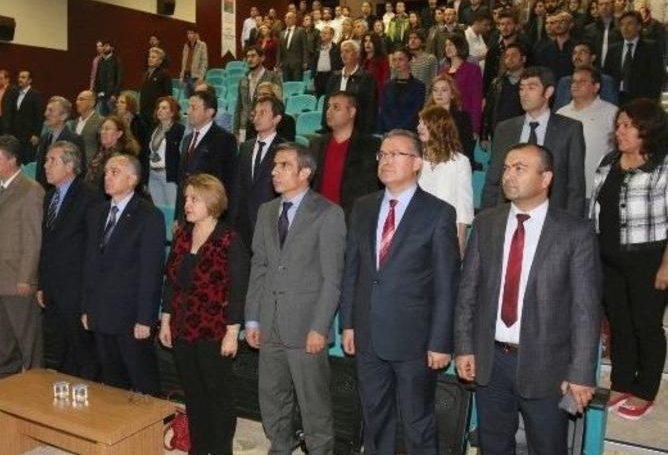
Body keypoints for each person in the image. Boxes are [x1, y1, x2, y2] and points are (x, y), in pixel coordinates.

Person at [455, 143, 601, 453]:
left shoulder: (575, 232)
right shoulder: (487, 223)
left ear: (545, 178)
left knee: (547, 447)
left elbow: (585, 310)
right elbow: (468, 293)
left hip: (547, 366)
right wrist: (464, 347)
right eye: (506, 167)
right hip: (491, 361)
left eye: (519, 168)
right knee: (492, 446)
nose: (509, 175)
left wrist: (581, 372)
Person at [341, 130, 460, 454]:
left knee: (417, 422)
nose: (386, 160)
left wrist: (440, 341)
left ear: (417, 163)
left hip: (414, 341)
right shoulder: (363, 206)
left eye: (396, 154)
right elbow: (352, 268)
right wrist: (348, 323)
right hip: (367, 334)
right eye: (382, 154)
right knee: (374, 419)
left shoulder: (438, 213)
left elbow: (447, 284)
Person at [245, 142, 347, 455]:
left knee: (313, 403)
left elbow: (332, 278)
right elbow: (259, 266)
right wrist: (253, 318)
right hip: (270, 322)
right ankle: (280, 446)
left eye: (284, 165)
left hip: (306, 327)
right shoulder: (266, 211)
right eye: (275, 165)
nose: (275, 171)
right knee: (272, 396)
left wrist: (320, 327)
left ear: (305, 172)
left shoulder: (328, 213)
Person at [160, 174, 249, 455]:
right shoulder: (182, 235)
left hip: (215, 331)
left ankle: (221, 450)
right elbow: (170, 281)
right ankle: (199, 448)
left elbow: (238, 290)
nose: (186, 204)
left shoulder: (229, 239)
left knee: (218, 395)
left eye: (194, 199)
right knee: (194, 393)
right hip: (182, 328)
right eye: (186, 198)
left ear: (211, 202)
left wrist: (232, 333)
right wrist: (165, 319)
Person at [591, 99, 668, 420]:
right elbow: (595, 209)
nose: (620, 131)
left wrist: (666, 265)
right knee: (619, 323)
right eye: (618, 125)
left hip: (648, 259)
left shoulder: (663, 166)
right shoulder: (608, 161)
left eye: (628, 125)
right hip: (609, 257)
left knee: (646, 324)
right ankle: (621, 382)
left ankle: (645, 389)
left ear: (646, 130)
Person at [82, 154, 165, 394]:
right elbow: (89, 265)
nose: (107, 176)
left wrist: (146, 318)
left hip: (131, 318)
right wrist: (86, 308)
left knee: (143, 382)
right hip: (100, 312)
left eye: (115, 172)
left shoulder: (149, 216)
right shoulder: (96, 213)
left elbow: (151, 272)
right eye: (106, 172)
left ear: (133, 179)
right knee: (111, 384)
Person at [0, 135, 45, 379]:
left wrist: (26, 277)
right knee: (4, 339)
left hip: (17, 279)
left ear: (13, 160)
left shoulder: (31, 190)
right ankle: (8, 385)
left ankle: (35, 385)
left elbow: (33, 239)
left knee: (28, 339)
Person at [482, 66, 586, 216]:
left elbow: (576, 186)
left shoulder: (569, 130)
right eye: (521, 88)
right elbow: (493, 180)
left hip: (552, 217)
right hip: (508, 214)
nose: (524, 94)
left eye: (531, 88)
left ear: (548, 92)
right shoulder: (505, 129)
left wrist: (571, 224)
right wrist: (487, 218)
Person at [38, 141, 98, 380]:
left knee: (83, 351)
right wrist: (42, 284)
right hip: (53, 288)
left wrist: (88, 292)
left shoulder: (90, 197)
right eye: (46, 160)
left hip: (77, 289)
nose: (46, 165)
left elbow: (93, 248)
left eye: (52, 160)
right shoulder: (49, 197)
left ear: (70, 165)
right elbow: (46, 245)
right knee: (60, 349)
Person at [310, 91, 381, 221]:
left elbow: (372, 188)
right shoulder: (316, 144)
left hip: (353, 218)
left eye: (336, 107)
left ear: (352, 112)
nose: (329, 111)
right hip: (318, 217)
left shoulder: (370, 146)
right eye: (328, 107)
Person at [230, 96, 288, 249]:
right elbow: (236, 185)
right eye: (255, 112)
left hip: (269, 222)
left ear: (276, 119)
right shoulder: (245, 147)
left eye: (263, 112)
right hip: (241, 224)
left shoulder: (284, 149)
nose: (257, 116)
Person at [417, 106, 474, 254]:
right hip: (416, 229)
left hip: (445, 231)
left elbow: (464, 205)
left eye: (425, 123)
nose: (419, 127)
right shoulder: (415, 158)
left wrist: (461, 242)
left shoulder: (460, 162)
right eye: (419, 122)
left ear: (439, 126)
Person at [174, 90, 237, 223]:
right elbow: (181, 181)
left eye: (194, 108)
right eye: (188, 107)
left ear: (209, 112)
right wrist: (177, 217)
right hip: (186, 214)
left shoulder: (224, 139)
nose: (188, 111)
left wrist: (220, 220)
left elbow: (226, 183)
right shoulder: (187, 139)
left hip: (209, 215)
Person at [557, 66, 618, 196]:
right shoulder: (561, 113)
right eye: (573, 81)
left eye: (582, 81)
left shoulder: (612, 113)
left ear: (596, 87)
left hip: (597, 189)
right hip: (566, 190)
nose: (575, 85)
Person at [604, 11, 666, 104]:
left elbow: (658, 77)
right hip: (616, 98)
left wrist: (651, 100)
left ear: (639, 26)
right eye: (622, 25)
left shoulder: (651, 48)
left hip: (642, 100)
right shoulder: (613, 49)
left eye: (629, 24)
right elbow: (607, 75)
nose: (625, 28)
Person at [322, 40, 377, 134]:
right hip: (333, 127)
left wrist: (366, 130)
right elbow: (327, 102)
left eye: (347, 51)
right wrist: (325, 124)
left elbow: (369, 106)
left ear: (357, 55)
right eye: (342, 52)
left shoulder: (366, 78)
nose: (343, 55)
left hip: (357, 128)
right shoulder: (335, 76)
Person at [84, 115, 141, 202]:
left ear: (119, 134)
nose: (103, 132)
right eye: (102, 129)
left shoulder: (124, 158)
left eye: (107, 129)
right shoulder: (100, 153)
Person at [426, 73, 476, 169]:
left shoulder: (462, 118)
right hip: (429, 165)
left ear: (452, 94)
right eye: (435, 90)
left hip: (454, 166)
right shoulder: (425, 117)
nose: (439, 94)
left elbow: (467, 148)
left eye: (444, 90)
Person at [439, 33, 483, 139]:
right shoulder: (442, 72)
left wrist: (475, 128)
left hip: (464, 121)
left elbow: (476, 100)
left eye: (451, 44)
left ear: (460, 46)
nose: (447, 48)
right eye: (446, 45)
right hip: (444, 121)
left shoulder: (472, 70)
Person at [34, 96, 86, 187]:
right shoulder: (45, 138)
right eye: (46, 110)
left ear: (63, 116)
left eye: (51, 110)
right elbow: (40, 171)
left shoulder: (74, 139)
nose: (46, 114)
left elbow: (79, 171)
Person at [553, 42, 619, 110]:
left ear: (592, 58)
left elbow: (612, 111)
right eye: (574, 53)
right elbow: (557, 110)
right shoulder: (564, 82)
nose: (577, 56)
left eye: (582, 53)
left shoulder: (606, 81)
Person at [234, 45, 283, 136]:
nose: (249, 59)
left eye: (253, 56)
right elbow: (238, 106)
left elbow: (279, 104)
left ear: (262, 58)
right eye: (248, 56)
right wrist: (235, 131)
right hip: (244, 127)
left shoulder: (272, 77)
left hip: (265, 126)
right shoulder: (243, 80)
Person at [146, 96, 184, 209]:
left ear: (172, 113)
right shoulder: (154, 129)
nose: (159, 110)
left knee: (172, 209)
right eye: (159, 108)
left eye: (164, 108)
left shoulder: (179, 129)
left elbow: (180, 154)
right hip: (153, 173)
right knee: (158, 209)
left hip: (168, 174)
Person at [379, 48, 426, 134]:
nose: (397, 63)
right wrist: (392, 130)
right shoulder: (387, 86)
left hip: (410, 132)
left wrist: (401, 130)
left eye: (400, 59)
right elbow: (384, 111)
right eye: (394, 60)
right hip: (389, 132)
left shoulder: (419, 86)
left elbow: (415, 113)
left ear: (410, 62)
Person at [3, 70, 43, 163]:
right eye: (19, 77)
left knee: (26, 161)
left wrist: (36, 134)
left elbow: (39, 116)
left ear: (30, 80)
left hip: (28, 136)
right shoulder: (14, 93)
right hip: (15, 135)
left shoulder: (35, 94)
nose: (20, 79)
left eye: (23, 77)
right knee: (15, 160)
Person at [139, 47, 172, 129]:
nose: (150, 59)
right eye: (149, 57)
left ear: (160, 61)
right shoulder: (146, 74)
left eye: (153, 57)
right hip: (144, 113)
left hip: (155, 113)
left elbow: (168, 95)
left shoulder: (164, 74)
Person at [71, 90, 102, 165]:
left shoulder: (101, 121)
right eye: (77, 100)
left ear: (92, 103)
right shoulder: (74, 122)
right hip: (74, 164)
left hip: (91, 164)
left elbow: (102, 146)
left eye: (81, 99)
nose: (77, 102)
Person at [94, 41, 122, 117]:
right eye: (103, 46)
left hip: (112, 96)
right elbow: (97, 78)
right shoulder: (101, 61)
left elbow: (119, 78)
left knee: (113, 117)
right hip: (102, 95)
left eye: (107, 46)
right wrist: (97, 92)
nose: (104, 47)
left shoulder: (116, 60)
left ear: (112, 48)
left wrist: (115, 94)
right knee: (103, 117)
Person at [312, 26, 342, 97]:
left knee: (330, 98)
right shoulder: (317, 48)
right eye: (321, 33)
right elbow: (313, 63)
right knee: (318, 97)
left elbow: (339, 65)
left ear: (332, 35)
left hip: (331, 77)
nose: (322, 35)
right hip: (318, 77)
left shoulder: (337, 49)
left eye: (325, 33)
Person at [277, 12, 307, 82]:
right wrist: (278, 63)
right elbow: (279, 50)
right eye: (285, 17)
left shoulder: (300, 30)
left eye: (289, 17)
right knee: (286, 84)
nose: (287, 19)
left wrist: (305, 61)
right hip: (285, 64)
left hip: (297, 63)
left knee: (297, 83)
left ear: (295, 19)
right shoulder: (281, 33)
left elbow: (304, 47)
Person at [407, 30, 439, 95]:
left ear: (422, 41)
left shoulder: (430, 59)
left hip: (425, 97)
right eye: (410, 38)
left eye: (415, 38)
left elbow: (434, 81)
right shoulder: (407, 60)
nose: (412, 41)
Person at [180, 28, 209, 98]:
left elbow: (204, 62)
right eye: (188, 33)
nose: (189, 35)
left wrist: (201, 77)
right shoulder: (186, 45)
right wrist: (181, 76)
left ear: (196, 34)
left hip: (196, 77)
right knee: (187, 98)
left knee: (197, 98)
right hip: (186, 77)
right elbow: (183, 62)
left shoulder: (202, 45)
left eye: (191, 33)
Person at [361, 34, 390, 101]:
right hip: (362, 94)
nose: (367, 44)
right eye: (365, 41)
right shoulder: (361, 59)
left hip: (376, 96)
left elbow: (385, 80)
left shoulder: (382, 60)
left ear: (376, 43)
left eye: (370, 41)